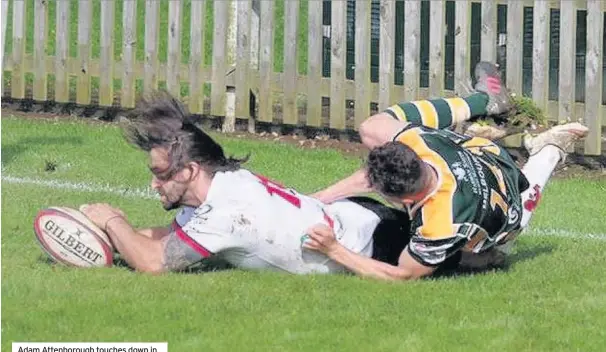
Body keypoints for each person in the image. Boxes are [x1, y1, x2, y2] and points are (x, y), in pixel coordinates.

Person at [304, 61, 589, 281]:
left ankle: (549, 149)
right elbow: (369, 176)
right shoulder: (419, 144)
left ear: (405, 201)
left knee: (472, 253)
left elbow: (402, 276)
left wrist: (334, 250)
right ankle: (482, 105)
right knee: (373, 128)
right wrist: (314, 199)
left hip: (507, 211)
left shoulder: (440, 225)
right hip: (482, 157)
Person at [79, 91, 415, 275]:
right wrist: (99, 235)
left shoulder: (225, 214)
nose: (155, 185)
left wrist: (112, 221)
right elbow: (163, 239)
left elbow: (155, 262)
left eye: (161, 174)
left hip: (377, 245)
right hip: (355, 215)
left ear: (190, 171)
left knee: (452, 257)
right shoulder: (223, 182)